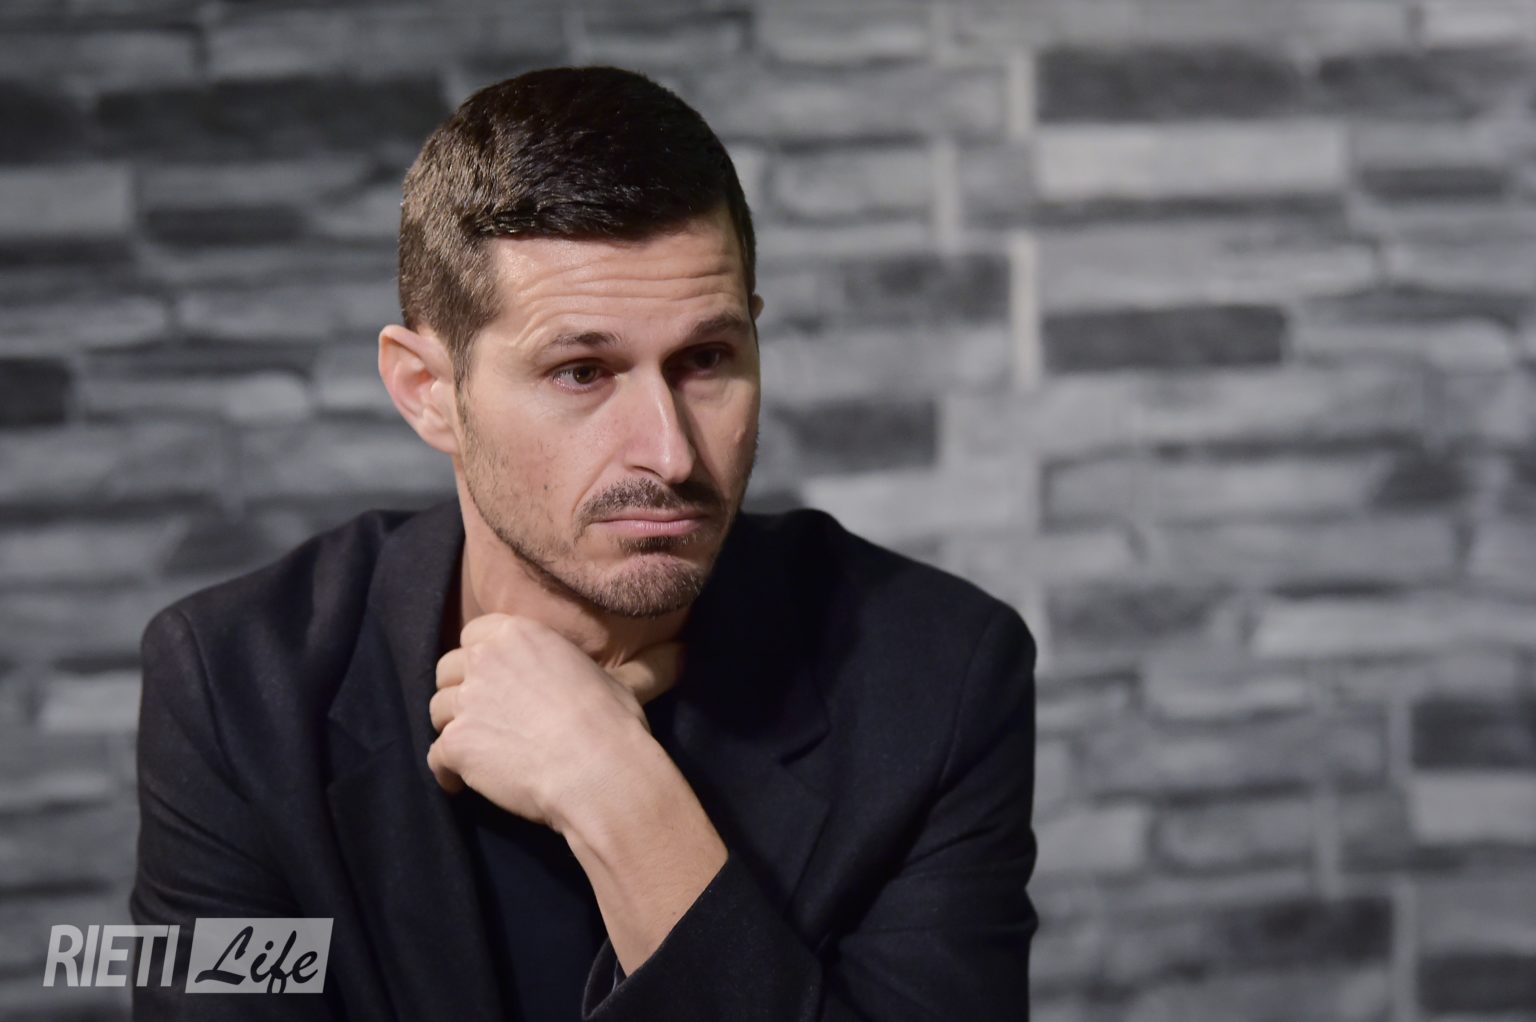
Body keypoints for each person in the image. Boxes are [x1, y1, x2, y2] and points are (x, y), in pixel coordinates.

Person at [131, 66, 1038, 1021]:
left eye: (706, 360)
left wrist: (621, 801)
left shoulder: (936, 675)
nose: (670, 453)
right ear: (428, 392)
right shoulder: (237, 686)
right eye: (581, 372)